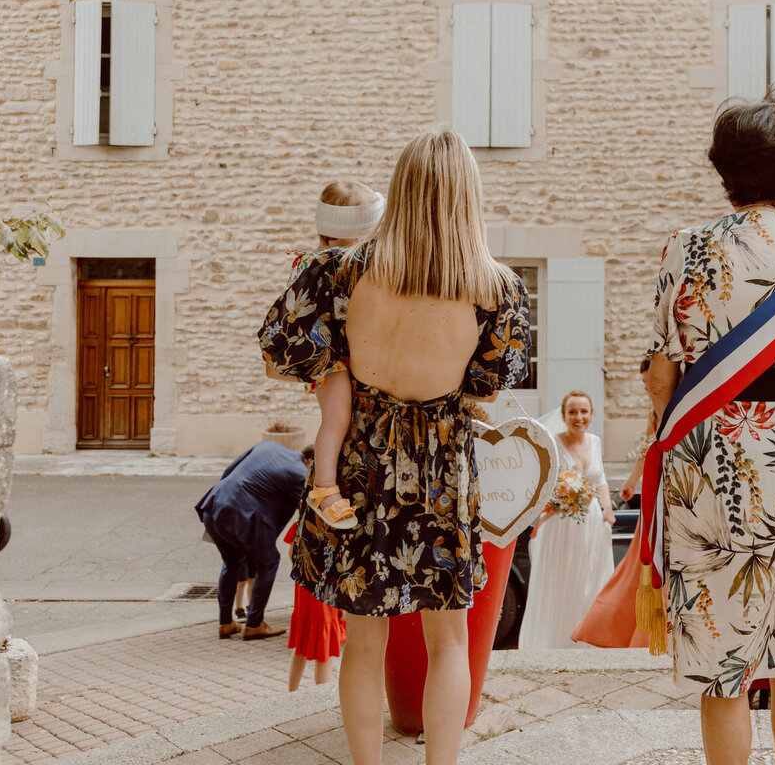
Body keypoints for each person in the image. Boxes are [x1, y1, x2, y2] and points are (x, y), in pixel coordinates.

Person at [258, 128, 530, 765]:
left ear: (401, 191)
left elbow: (279, 356)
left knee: (363, 642)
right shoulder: (497, 288)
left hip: (361, 464)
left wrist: (342, 368)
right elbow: (486, 389)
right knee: (450, 643)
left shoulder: (338, 272)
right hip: (442, 467)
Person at [643, 88, 775, 765]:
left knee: (720, 656)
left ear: (724, 166)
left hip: (707, 455)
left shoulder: (687, 246)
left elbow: (662, 375)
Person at [291, 181, 385, 532]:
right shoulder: (337, 263)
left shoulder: (321, 259)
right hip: (331, 358)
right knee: (337, 419)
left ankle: (326, 486)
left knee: (337, 419)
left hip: (333, 353)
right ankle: (325, 490)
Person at [518, 390, 615, 650]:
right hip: (560, 526)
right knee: (560, 583)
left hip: (591, 524)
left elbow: (600, 480)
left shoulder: (595, 441)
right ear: (563, 416)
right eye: (572, 412)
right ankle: (554, 642)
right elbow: (539, 484)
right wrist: (557, 498)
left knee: (588, 580)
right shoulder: (552, 443)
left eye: (584, 411)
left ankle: (586, 639)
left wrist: (607, 510)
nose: (578, 417)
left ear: (591, 415)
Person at [571, 360, 654, 648]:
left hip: (674, 491)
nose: (645, 387)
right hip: (657, 493)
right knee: (639, 562)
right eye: (642, 383)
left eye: (648, 382)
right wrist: (632, 482)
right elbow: (646, 449)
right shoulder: (654, 411)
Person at [195, 441, 308, 640]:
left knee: (232, 562)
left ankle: (225, 623)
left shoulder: (268, 446)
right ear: (311, 462)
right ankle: (254, 624)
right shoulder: (301, 473)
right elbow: (309, 510)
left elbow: (230, 470)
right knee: (270, 561)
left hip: (216, 503)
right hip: (244, 516)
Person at [283, 521, 346, 690]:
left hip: (305, 588)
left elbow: (291, 555)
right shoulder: (336, 528)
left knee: (300, 647)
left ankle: (292, 691)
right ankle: (322, 697)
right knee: (324, 653)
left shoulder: (300, 523)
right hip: (327, 592)